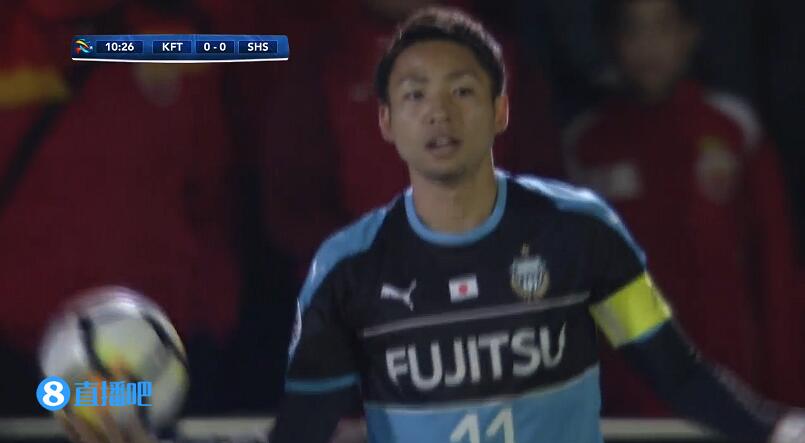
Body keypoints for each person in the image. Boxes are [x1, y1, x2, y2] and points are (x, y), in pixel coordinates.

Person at [60, 6, 805, 443]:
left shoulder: (582, 233)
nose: (438, 114)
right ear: (386, 120)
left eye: (461, 92)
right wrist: (139, 430)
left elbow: (678, 373)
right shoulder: (344, 270)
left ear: (502, 109)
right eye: (414, 94)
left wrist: (780, 429)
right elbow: (299, 433)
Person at [563, 0, 805, 413]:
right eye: (633, 30)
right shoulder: (584, 145)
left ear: (691, 34)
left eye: (663, 27)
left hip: (729, 386)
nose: (649, 46)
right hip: (627, 395)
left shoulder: (733, 128)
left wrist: (786, 396)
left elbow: (775, 269)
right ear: (610, 40)